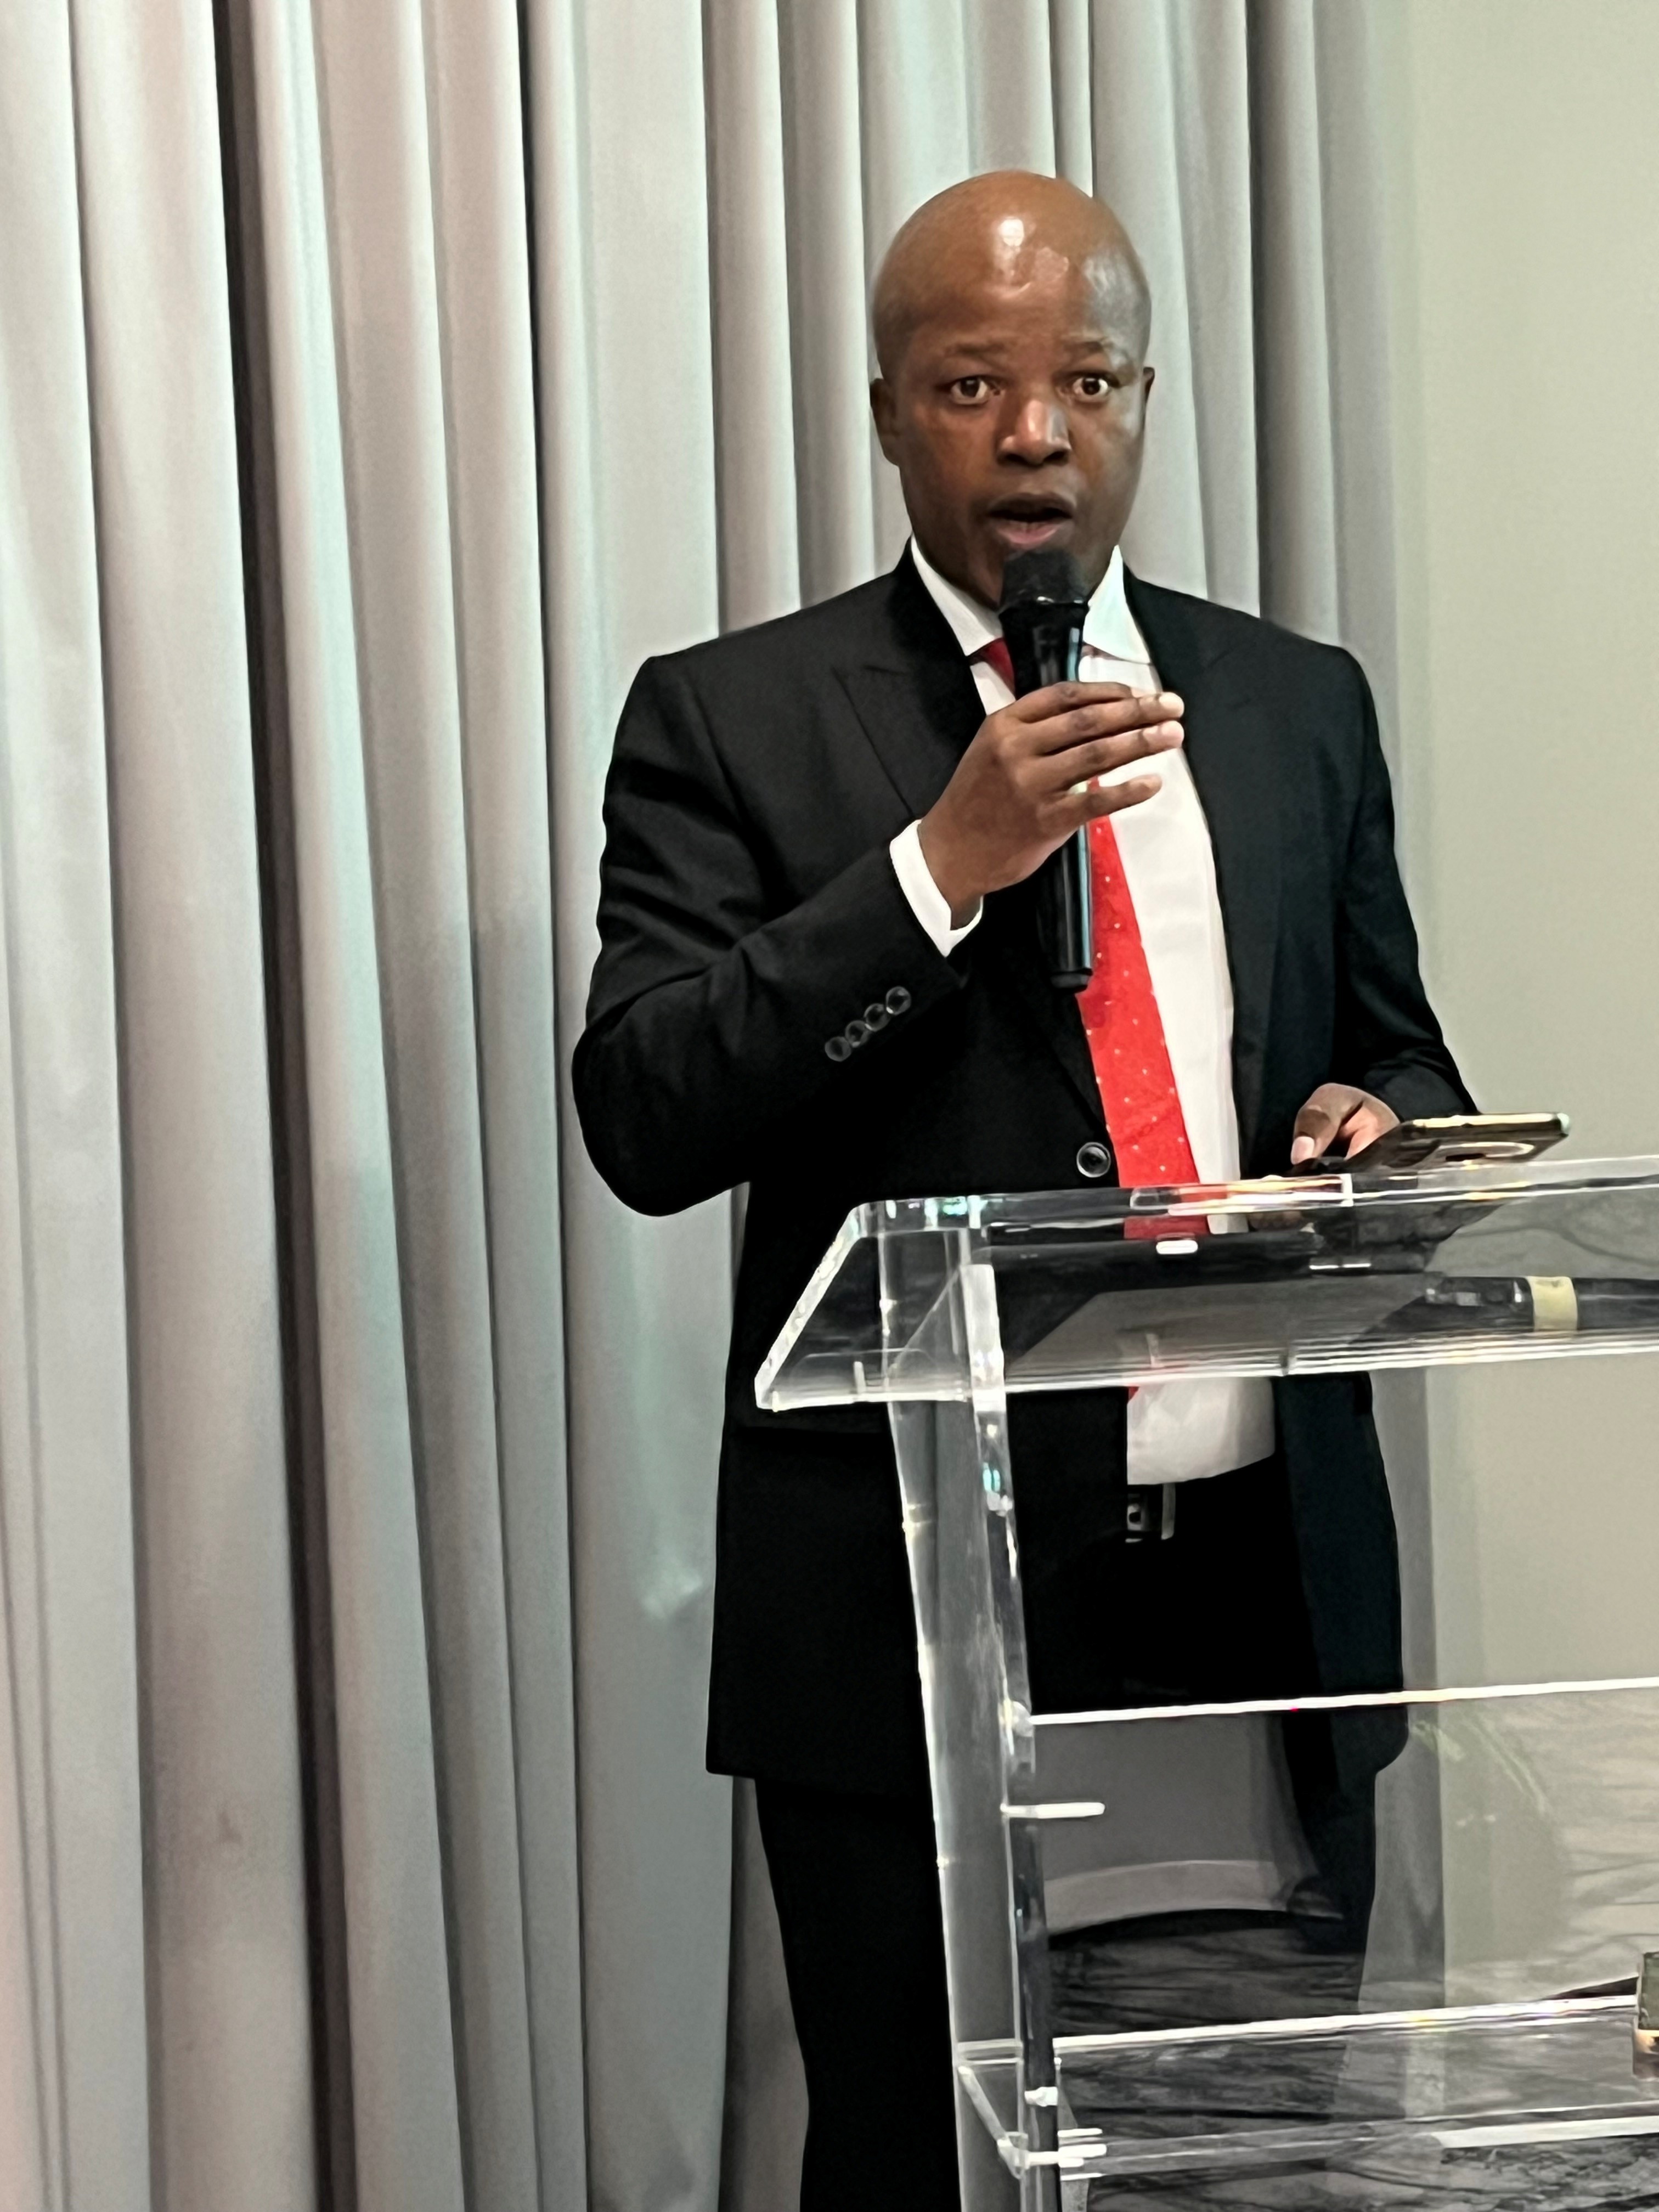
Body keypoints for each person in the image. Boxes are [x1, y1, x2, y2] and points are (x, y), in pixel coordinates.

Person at [574, 170, 1470, 2212]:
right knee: (922, 2167)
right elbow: (645, 1110)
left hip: (1254, 1593)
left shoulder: (1294, 700)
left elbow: (1400, 1047)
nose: (1038, 433)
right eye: (974, 384)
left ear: (1144, 400)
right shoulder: (731, 715)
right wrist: (937, 869)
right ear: (890, 415)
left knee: (1248, 2167)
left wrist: (1383, 1119)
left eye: (1088, 380)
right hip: (912, 1616)